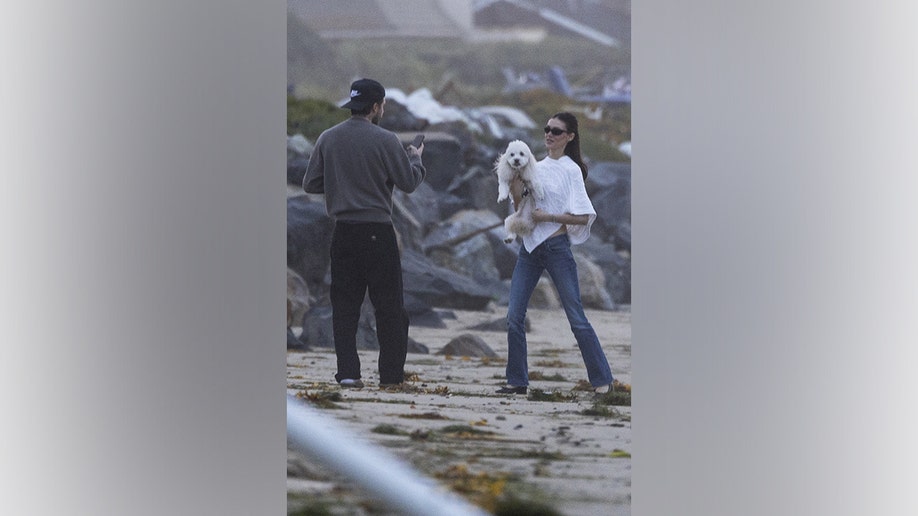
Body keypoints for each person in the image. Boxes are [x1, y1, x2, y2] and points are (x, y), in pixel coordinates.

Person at [303, 78, 426, 388]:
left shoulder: (328, 138)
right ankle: (391, 377)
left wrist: (340, 183)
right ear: (375, 106)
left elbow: (310, 184)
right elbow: (409, 182)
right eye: (382, 104)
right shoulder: (386, 140)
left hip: (343, 233)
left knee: (344, 308)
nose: (382, 109)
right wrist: (416, 158)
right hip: (377, 232)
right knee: (389, 309)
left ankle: (347, 374)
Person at [497, 112, 615, 396]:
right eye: (547, 129)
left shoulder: (571, 169)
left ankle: (602, 380)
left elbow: (585, 216)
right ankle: (517, 381)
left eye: (557, 131)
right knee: (514, 315)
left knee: (576, 316)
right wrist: (514, 185)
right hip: (529, 248)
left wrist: (548, 215)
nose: (549, 134)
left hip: (556, 248)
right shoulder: (533, 165)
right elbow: (518, 206)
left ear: (570, 136)